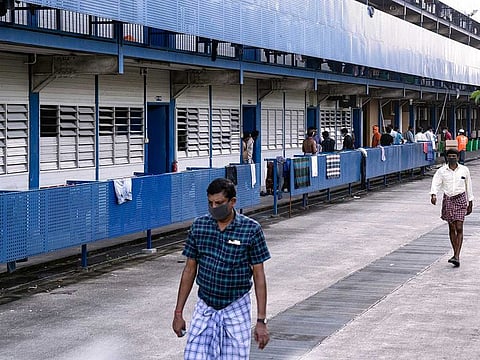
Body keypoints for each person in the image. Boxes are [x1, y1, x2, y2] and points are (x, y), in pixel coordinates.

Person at [172, 178, 271, 358]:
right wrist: (178, 312)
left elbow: (259, 276)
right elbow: (189, 270)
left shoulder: (251, 229)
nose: (214, 207)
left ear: (232, 202)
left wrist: (261, 321)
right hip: (205, 305)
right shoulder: (199, 226)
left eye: (219, 203)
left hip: (236, 306)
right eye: (210, 203)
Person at [430, 149, 474, 268]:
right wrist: (433, 194)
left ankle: (457, 255)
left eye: (454, 156)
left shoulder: (464, 170)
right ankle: (455, 253)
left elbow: (468, 185)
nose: (452, 158)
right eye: (450, 156)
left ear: (458, 157)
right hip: (448, 199)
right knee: (452, 226)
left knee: (459, 227)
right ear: (447, 158)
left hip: (460, 198)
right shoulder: (442, 171)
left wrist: (470, 201)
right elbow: (436, 182)